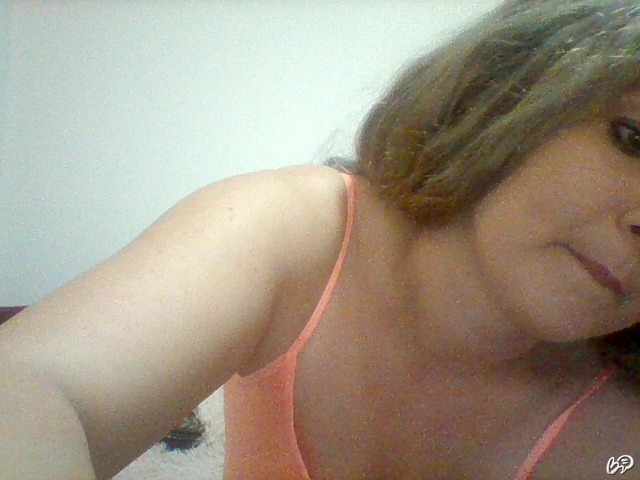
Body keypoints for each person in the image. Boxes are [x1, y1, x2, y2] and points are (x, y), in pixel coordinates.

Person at [2, 0, 640, 478]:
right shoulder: (303, 230)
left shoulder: (619, 435)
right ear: (509, 92)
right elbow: (36, 386)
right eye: (632, 140)